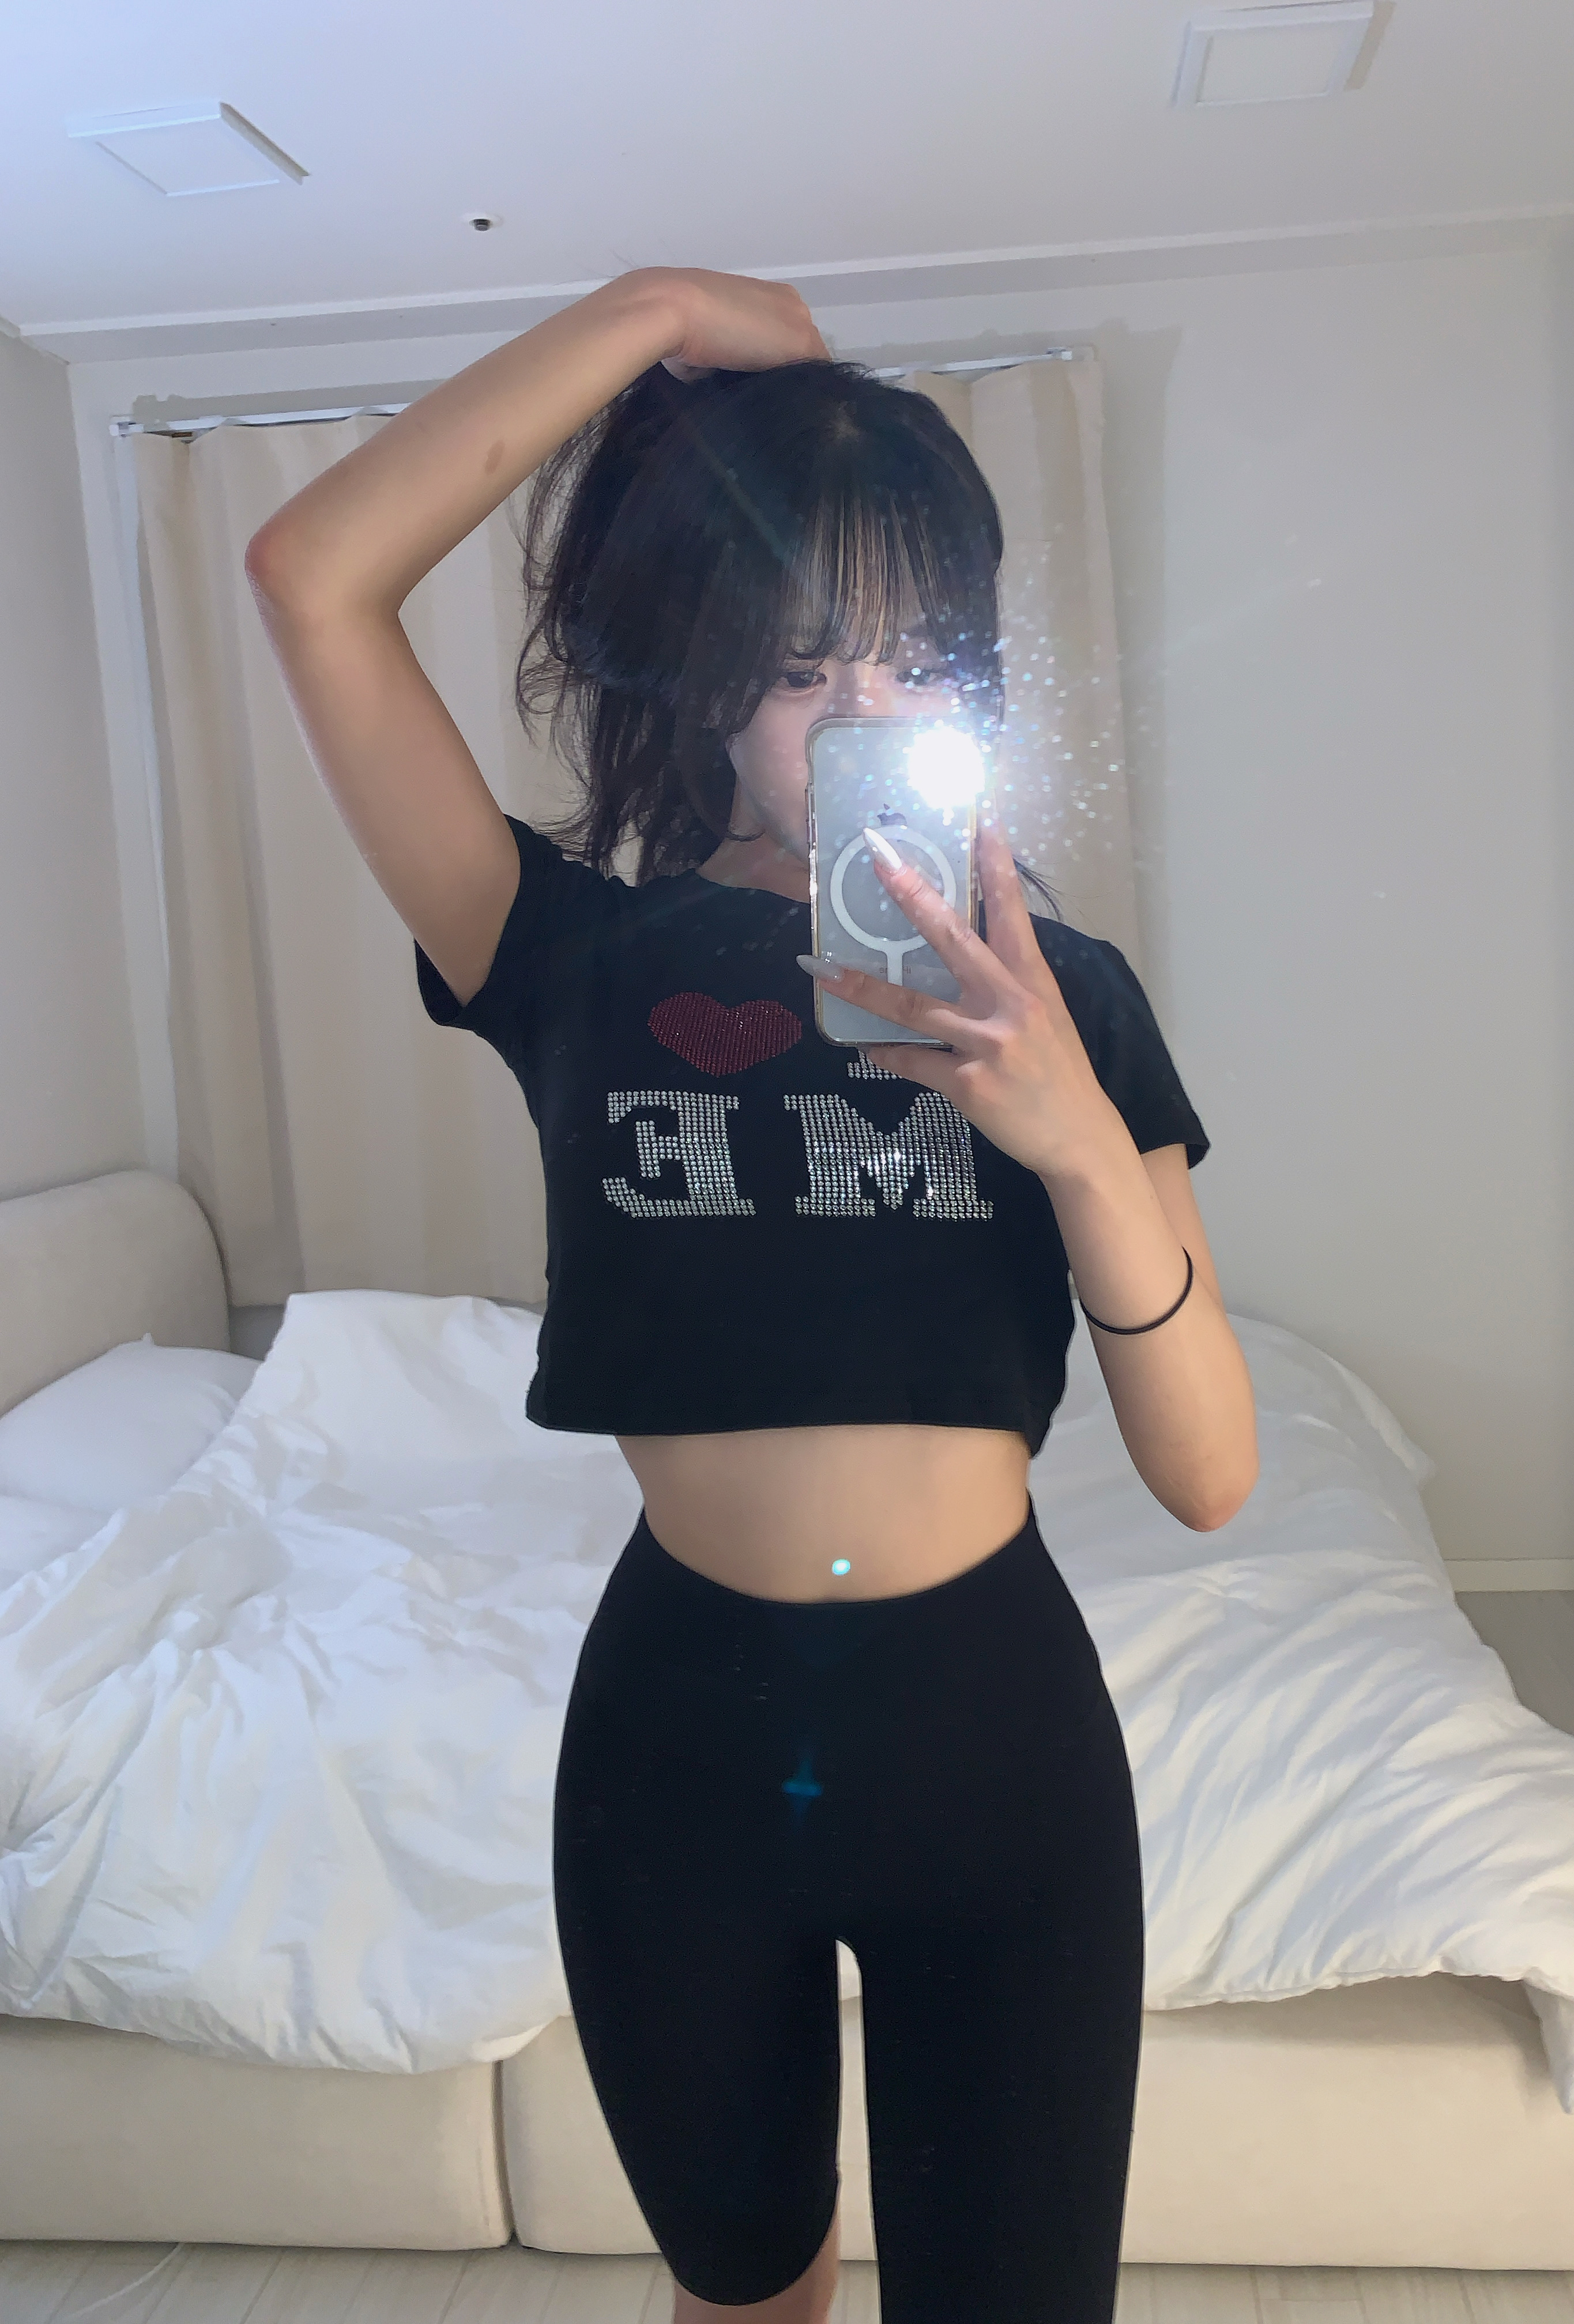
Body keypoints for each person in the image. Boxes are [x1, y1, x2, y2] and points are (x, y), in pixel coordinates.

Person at [245, 265, 1259, 2324]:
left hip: (996, 1750)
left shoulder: (1066, 1003)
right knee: (745, 2299)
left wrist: (1071, 1136)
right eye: (803, 665)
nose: (865, 717)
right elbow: (311, 577)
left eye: (917, 662)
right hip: (680, 1756)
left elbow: (1212, 1473)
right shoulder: (565, 954)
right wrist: (651, 316)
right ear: (707, 672)